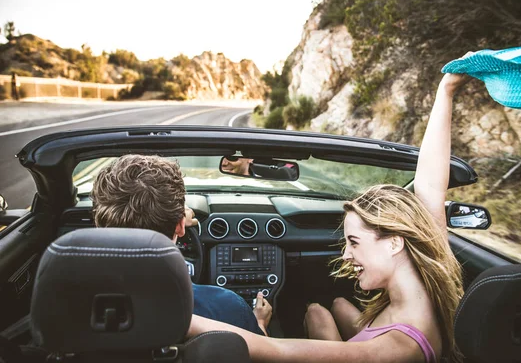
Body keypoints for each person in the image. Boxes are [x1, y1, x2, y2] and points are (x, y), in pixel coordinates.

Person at [186, 72, 471, 363]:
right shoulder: (431, 279)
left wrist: (180, 320)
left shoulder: (397, 350)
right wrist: (446, 88)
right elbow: (430, 185)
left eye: (354, 242)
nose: (346, 254)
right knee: (327, 306)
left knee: (314, 313)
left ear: (394, 243)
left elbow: (275, 351)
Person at [90, 154, 268, 336]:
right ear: (181, 226)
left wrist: (175, 218)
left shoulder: (72, 304)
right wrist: (259, 322)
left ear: (99, 226)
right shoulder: (228, 308)